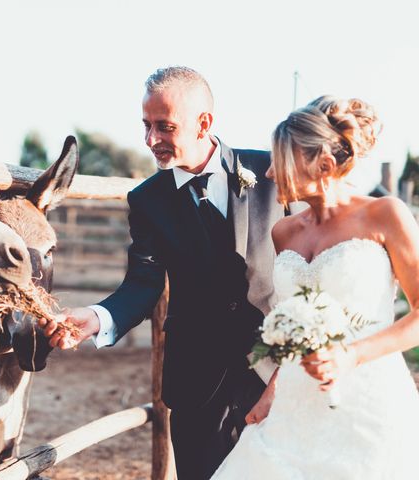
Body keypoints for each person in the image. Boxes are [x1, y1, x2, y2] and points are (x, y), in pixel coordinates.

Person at [38, 66, 285, 479]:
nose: (151, 140)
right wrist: (97, 317)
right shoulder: (147, 200)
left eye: (164, 127)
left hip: (277, 372)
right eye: (146, 126)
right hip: (198, 383)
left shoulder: (272, 173)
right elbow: (144, 281)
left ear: (204, 123)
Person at [210, 96, 419, 479]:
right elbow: (292, 322)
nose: (270, 174)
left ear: (322, 164)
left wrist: (350, 356)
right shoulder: (283, 232)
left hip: (368, 402)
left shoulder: (386, 214)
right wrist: (272, 391)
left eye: (281, 161)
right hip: (294, 405)